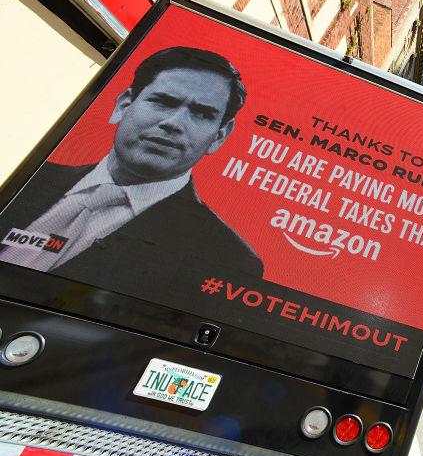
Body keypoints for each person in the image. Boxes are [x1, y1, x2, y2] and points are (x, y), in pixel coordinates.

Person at [0, 46, 263, 298]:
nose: (174, 123)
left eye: (202, 113)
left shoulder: (227, 259)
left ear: (219, 136)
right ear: (124, 105)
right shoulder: (31, 176)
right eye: (164, 101)